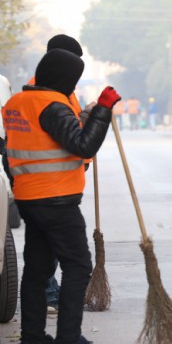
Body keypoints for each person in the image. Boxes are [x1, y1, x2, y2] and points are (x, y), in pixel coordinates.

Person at [3, 49, 122, 344]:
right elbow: (82, 146)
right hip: (57, 200)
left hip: (29, 199)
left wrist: (85, 114)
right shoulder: (52, 105)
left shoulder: (16, 103)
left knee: (36, 270)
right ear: (65, 77)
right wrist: (103, 110)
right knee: (78, 267)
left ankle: (33, 337)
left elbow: (47, 137)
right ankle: (68, 337)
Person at [28, 34, 89, 315]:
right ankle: (51, 296)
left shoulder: (63, 89)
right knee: (68, 255)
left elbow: (74, 123)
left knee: (46, 247)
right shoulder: (42, 93)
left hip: (60, 180)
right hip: (48, 184)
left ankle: (45, 301)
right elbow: (69, 137)